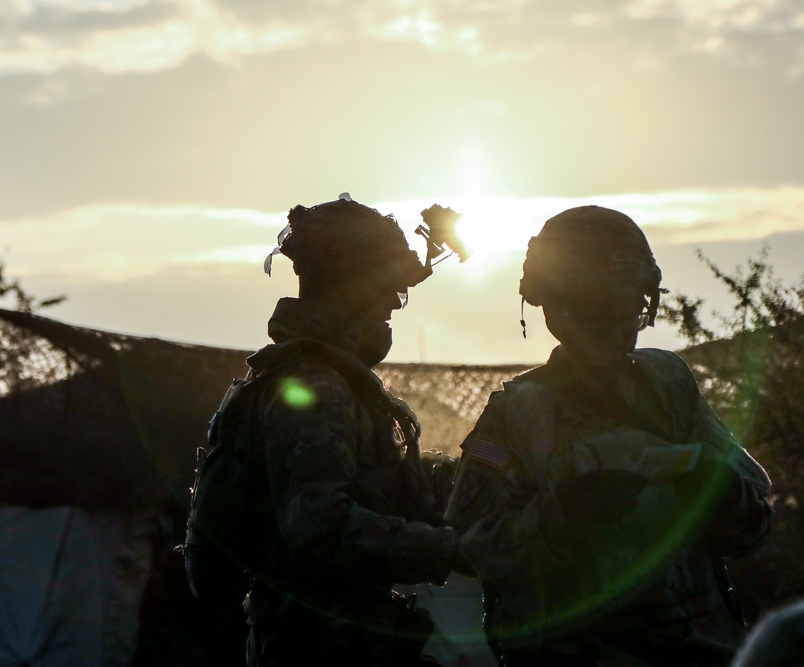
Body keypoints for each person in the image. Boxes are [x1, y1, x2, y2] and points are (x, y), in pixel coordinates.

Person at [445, 205, 773, 666]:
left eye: (633, 304)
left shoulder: (670, 387)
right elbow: (468, 548)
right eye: (600, 305)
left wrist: (720, 493)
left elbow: (754, 526)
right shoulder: (520, 413)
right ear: (554, 303)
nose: (619, 322)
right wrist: (563, 517)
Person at [223, 195, 460, 666]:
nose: (395, 301)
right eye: (388, 287)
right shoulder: (316, 385)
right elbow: (320, 529)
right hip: (320, 646)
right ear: (350, 286)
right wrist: (448, 548)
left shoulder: (323, 377)